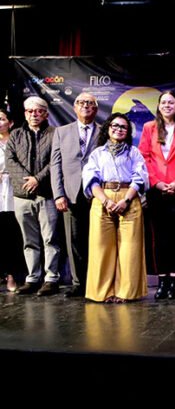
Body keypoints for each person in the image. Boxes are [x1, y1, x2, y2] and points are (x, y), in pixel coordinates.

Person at [82, 112, 149, 303]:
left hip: (129, 198)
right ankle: (102, 292)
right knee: (101, 247)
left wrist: (126, 200)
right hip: (103, 199)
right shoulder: (97, 153)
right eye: (115, 126)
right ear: (108, 128)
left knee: (130, 248)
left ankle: (126, 292)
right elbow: (91, 179)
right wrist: (106, 201)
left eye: (123, 127)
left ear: (128, 131)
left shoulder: (133, 152)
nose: (118, 129)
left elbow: (140, 177)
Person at [138, 90, 175, 300]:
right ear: (159, 106)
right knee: (159, 237)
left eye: (171, 102)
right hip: (157, 190)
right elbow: (144, 157)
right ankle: (162, 281)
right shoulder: (149, 128)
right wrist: (157, 183)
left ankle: (173, 280)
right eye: (163, 102)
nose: (167, 105)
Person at [6, 96, 61, 296]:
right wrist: (28, 181)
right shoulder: (15, 134)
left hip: (46, 195)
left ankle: (51, 278)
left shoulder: (55, 134)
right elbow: (10, 160)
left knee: (50, 239)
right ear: (25, 114)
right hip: (22, 196)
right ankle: (33, 278)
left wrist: (37, 179)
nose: (34, 114)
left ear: (46, 113)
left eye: (38, 111)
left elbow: (56, 161)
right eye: (30, 111)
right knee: (29, 240)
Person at [51, 93, 100, 298]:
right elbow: (55, 165)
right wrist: (58, 195)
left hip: (97, 194)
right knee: (75, 241)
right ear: (74, 107)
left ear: (96, 108)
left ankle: (97, 283)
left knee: (98, 240)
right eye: (81, 102)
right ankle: (79, 283)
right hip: (71, 194)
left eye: (90, 103)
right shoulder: (61, 132)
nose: (85, 106)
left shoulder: (104, 131)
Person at [0, 107, 25, 292]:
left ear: (10, 123)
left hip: (12, 191)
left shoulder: (16, 142)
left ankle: (11, 275)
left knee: (12, 235)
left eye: (2, 119)